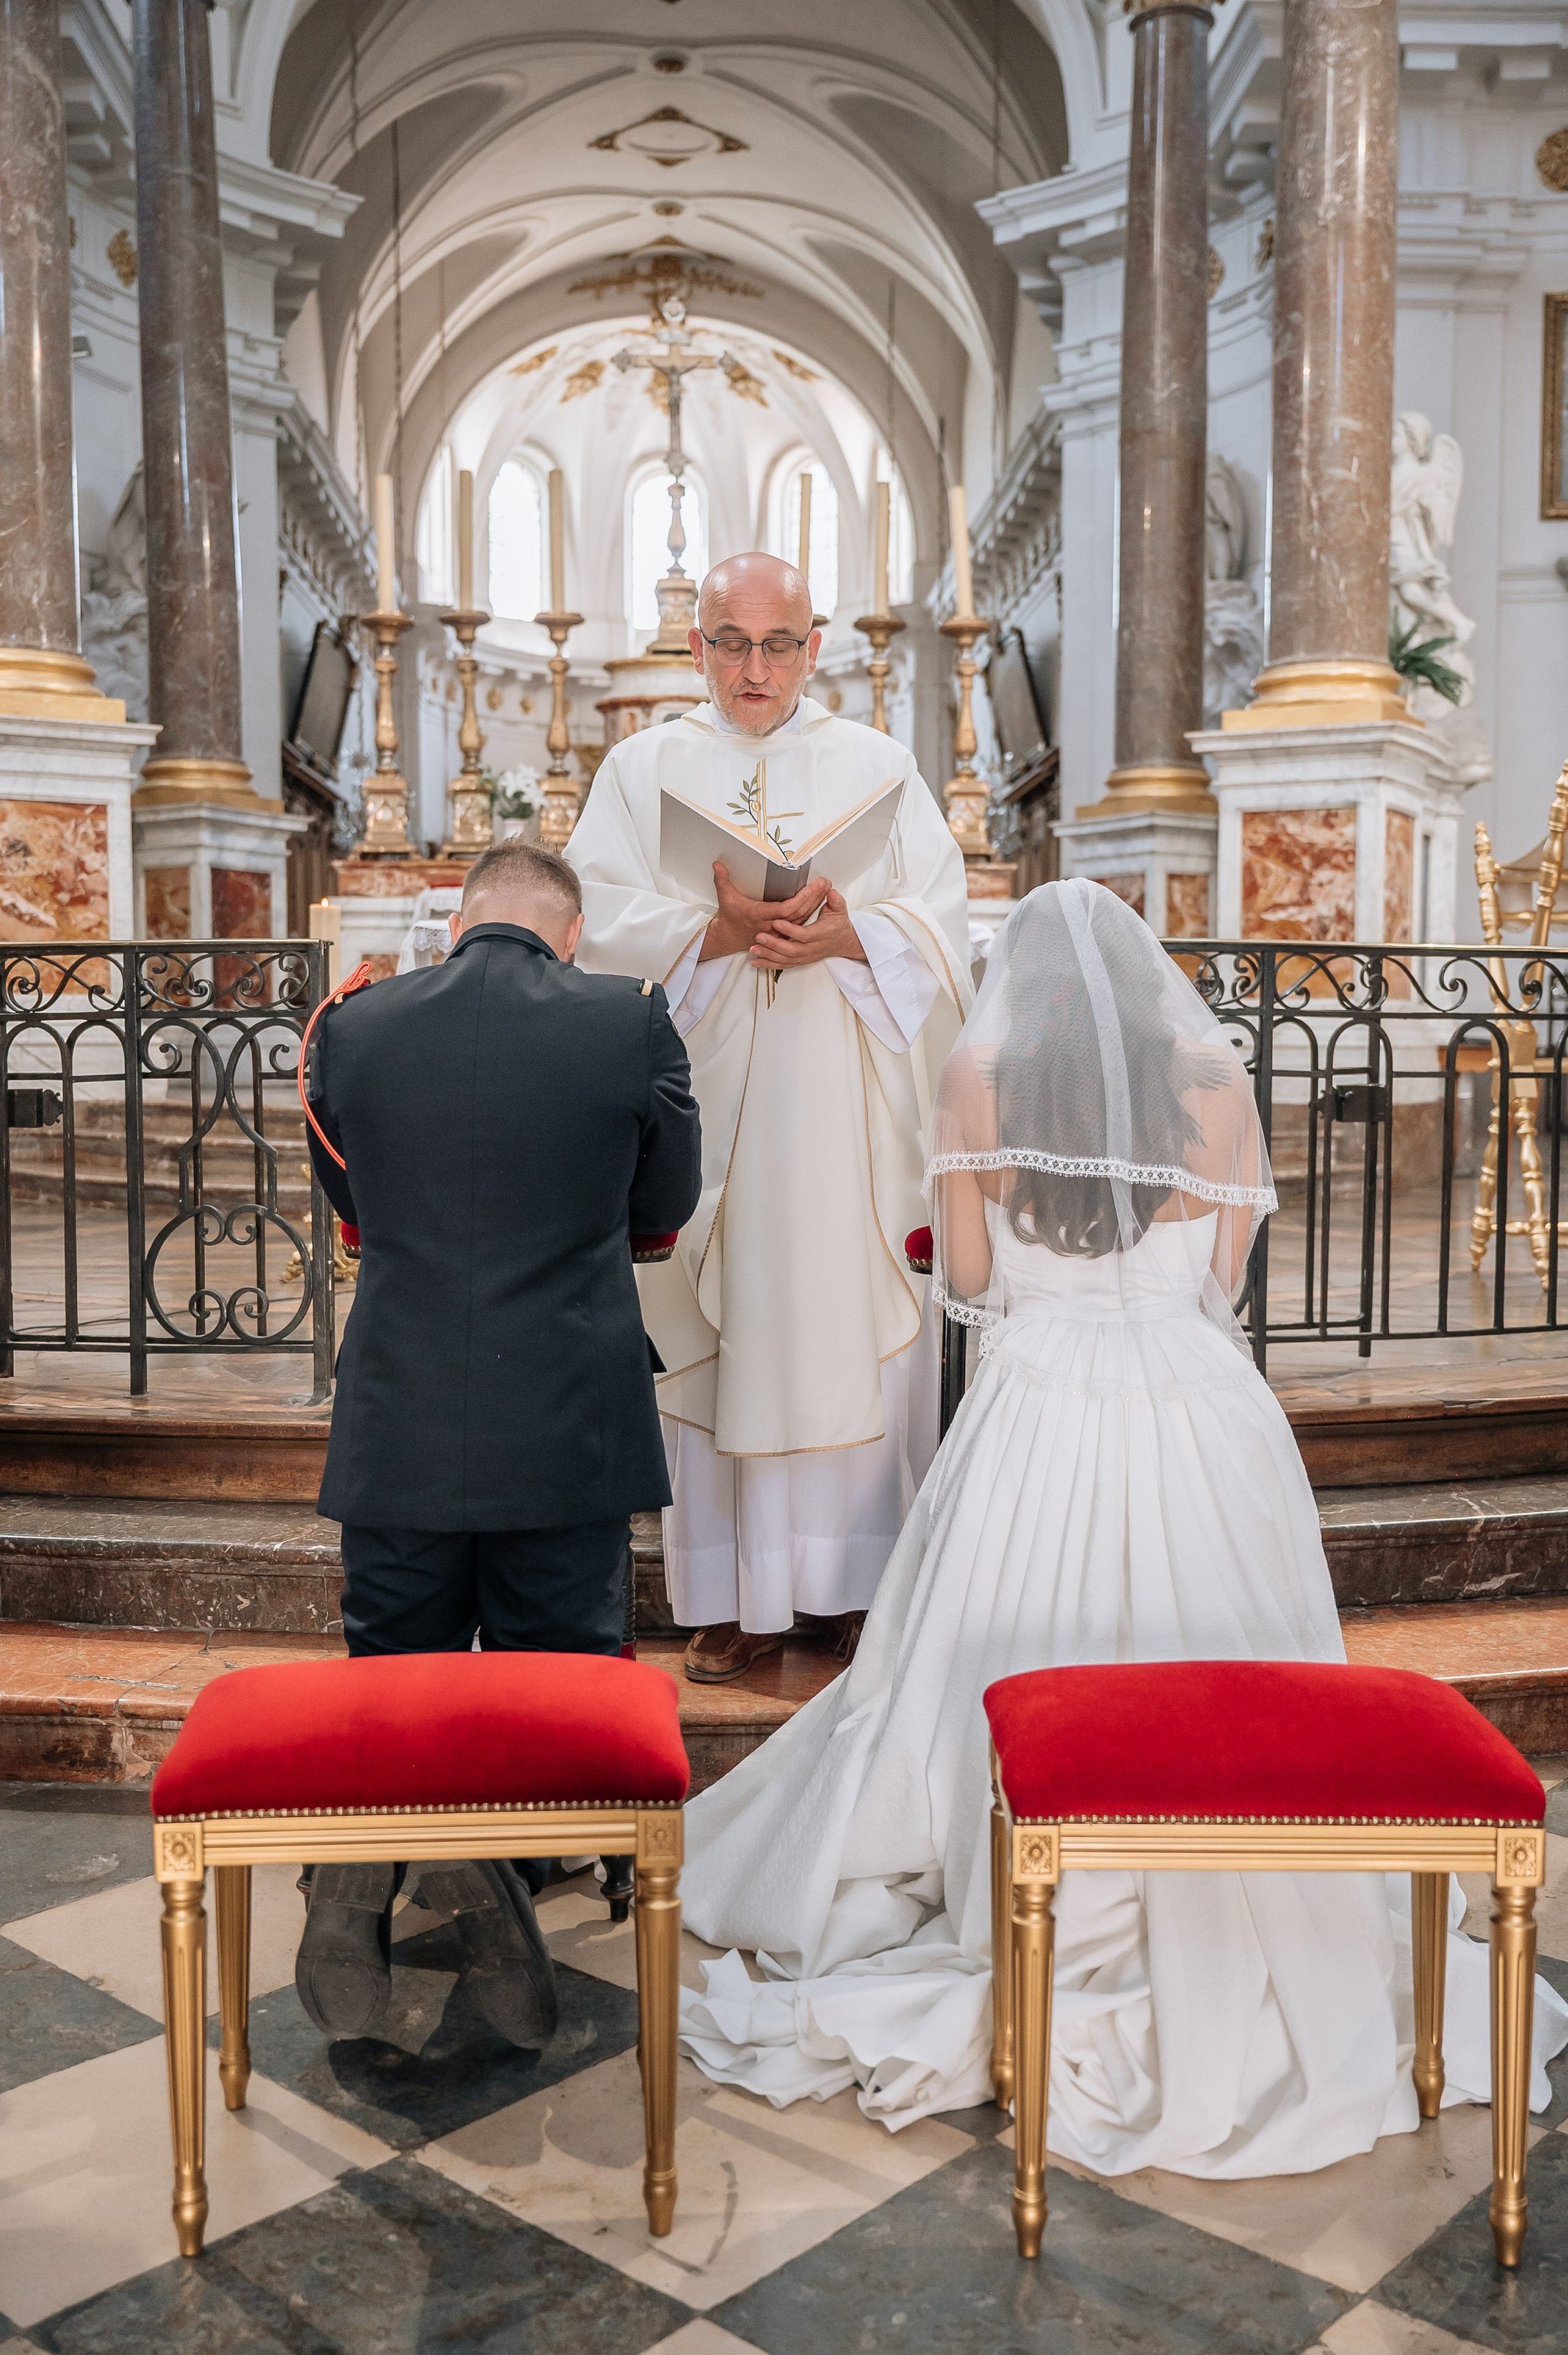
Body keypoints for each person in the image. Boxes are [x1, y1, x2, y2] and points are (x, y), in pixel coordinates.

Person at [677, 880, 1568, 2171]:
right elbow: (1219, 1276)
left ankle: (1008, 1856)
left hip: (1036, 1400)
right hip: (1199, 1407)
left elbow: (970, 1282)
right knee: (1235, 1676)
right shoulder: (1208, 1069)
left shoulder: (981, 1075)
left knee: (983, 1656)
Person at [297, 837, 701, 2046]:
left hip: (403, 1405)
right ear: (569, 932)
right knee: (557, 1666)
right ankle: (509, 1860)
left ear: (460, 920)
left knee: (398, 1658)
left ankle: (386, 1858)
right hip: (565, 1407)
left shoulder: (356, 1024)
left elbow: (353, 1204)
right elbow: (662, 1206)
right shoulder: (627, 1019)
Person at [567, 551, 972, 1681]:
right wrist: (713, 931)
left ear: (815, 644)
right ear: (695, 646)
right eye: (732, 643)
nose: (756, 668)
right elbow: (591, 916)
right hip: (711, 1082)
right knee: (725, 1319)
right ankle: (738, 1596)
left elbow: (943, 925)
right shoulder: (643, 769)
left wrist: (852, 938)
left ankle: (851, 1588)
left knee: (840, 1320)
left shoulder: (877, 765)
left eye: (779, 643)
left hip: (842, 1103)